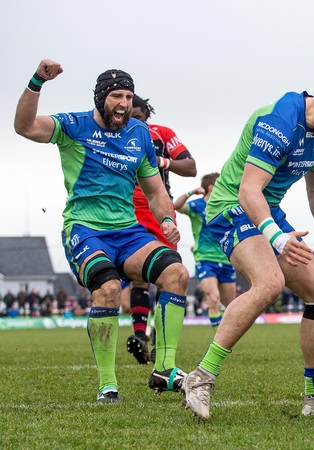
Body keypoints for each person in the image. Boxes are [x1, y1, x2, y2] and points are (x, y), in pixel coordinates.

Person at [181, 74, 314, 420]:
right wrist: (278, 238)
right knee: (269, 282)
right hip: (232, 206)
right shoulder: (280, 121)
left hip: (265, 211)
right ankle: (200, 378)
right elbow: (248, 190)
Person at [14, 60, 189, 402]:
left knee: (177, 274)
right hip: (84, 227)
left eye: (128, 96)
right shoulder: (73, 125)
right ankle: (108, 386)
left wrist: (166, 218)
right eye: (116, 96)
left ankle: (164, 370)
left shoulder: (139, 134)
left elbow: (155, 191)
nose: (123, 103)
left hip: (127, 231)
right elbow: (24, 127)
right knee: (108, 289)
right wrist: (37, 81)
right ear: (100, 98)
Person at [124, 94, 197, 368]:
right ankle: (140, 337)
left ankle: (155, 333)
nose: (133, 122)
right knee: (138, 276)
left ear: (146, 115)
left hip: (160, 208)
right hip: (126, 209)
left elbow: (190, 167)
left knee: (168, 275)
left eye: (138, 117)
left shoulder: (162, 135)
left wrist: (162, 161)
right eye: (129, 118)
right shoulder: (112, 136)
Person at [174, 172, 235, 330]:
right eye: (219, 184)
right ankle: (219, 340)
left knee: (232, 306)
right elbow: (177, 206)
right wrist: (191, 192)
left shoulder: (226, 206)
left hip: (226, 260)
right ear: (210, 187)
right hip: (206, 260)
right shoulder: (198, 205)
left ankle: (228, 335)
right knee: (213, 299)